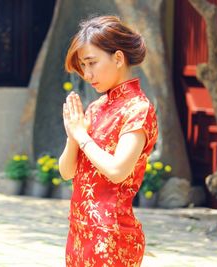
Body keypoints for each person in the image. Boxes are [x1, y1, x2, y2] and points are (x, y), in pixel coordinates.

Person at [59, 15, 158, 266]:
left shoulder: (138, 109)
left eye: (92, 63)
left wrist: (82, 136)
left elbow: (117, 171)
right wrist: (73, 134)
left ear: (118, 58)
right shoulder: (95, 108)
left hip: (113, 236)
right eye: (83, 65)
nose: (87, 74)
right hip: (80, 233)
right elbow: (67, 171)